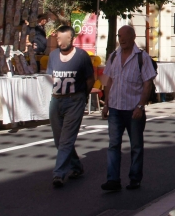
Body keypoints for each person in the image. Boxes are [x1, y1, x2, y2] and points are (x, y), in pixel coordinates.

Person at [101, 25, 157, 192]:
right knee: (113, 145)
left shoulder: (142, 58)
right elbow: (109, 81)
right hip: (116, 109)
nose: (122, 39)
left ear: (133, 37)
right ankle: (113, 180)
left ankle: (134, 178)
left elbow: (147, 83)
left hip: (134, 109)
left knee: (136, 146)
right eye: (119, 36)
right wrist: (106, 104)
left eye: (125, 36)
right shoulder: (113, 56)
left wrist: (141, 105)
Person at [47, 25, 95, 188]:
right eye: (59, 39)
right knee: (59, 139)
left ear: (72, 39)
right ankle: (76, 166)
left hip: (75, 100)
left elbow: (90, 79)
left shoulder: (81, 56)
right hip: (56, 100)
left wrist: (83, 96)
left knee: (67, 139)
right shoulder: (53, 56)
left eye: (64, 39)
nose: (61, 42)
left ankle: (58, 174)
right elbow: (51, 77)